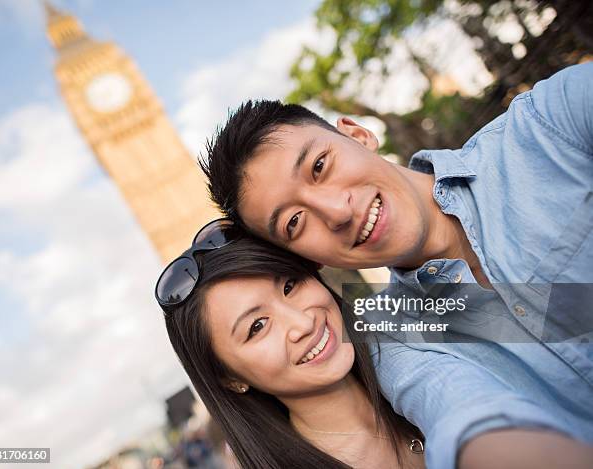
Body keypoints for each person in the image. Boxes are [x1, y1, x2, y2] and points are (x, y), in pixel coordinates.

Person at [200, 63, 593, 468]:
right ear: (308, 259)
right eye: (295, 223)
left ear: (358, 134)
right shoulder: (396, 339)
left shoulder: (551, 125)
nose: (336, 211)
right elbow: (465, 419)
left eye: (320, 166)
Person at [156, 219, 425, 469]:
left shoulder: (406, 319)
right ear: (228, 377)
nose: (303, 323)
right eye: (257, 326)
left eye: (289, 286)